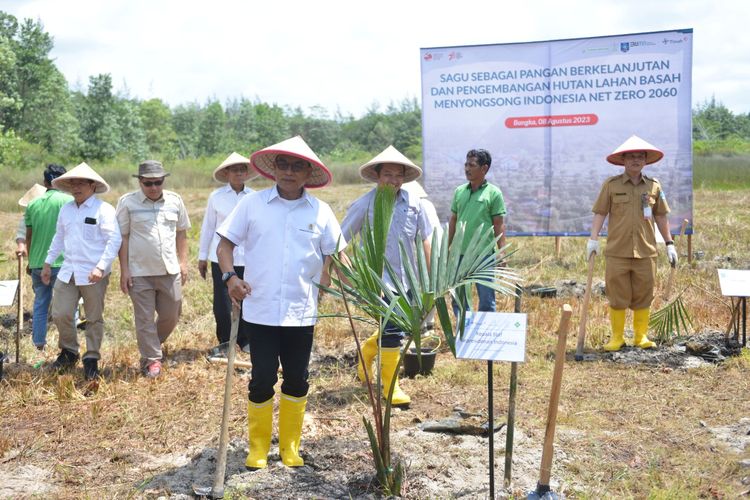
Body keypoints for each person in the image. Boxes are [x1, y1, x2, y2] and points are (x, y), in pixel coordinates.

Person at [216, 136, 346, 469]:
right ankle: (258, 447)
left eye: (297, 166)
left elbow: (338, 255)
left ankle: (290, 446)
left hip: (301, 312)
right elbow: (224, 247)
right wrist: (231, 278)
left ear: (308, 172)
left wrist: (350, 285)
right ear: (274, 170)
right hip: (259, 310)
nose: (289, 171)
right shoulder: (253, 205)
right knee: (261, 377)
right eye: (283, 165)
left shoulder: (321, 211)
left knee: (297, 379)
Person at [340, 146, 433, 406]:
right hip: (379, 283)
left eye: (398, 175)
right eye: (388, 174)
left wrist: (432, 278)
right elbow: (338, 241)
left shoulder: (415, 204)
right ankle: (391, 388)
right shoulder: (365, 205)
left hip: (410, 280)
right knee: (393, 333)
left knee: (399, 329)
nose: (393, 180)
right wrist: (354, 278)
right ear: (377, 176)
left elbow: (426, 239)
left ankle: (368, 351)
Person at [587, 135, 676, 351]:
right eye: (631, 156)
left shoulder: (654, 186)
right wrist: (593, 239)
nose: (636, 160)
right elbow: (600, 212)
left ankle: (640, 336)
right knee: (617, 295)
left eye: (640, 156)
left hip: (646, 251)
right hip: (617, 250)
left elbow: (661, 216)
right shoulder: (611, 185)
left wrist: (669, 243)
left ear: (645, 160)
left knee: (644, 294)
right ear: (623, 160)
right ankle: (617, 338)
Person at [43, 163, 121, 380]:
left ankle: (91, 358)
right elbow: (58, 237)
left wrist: (101, 266)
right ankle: (69, 351)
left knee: (94, 318)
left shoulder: (103, 210)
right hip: (69, 270)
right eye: (72, 183)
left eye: (80, 183)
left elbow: (114, 240)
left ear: (92, 185)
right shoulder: (66, 210)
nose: (76, 187)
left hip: (93, 273)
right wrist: (48, 263)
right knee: (60, 313)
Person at [116, 160, 191, 378]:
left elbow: (181, 233)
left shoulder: (175, 201)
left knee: (172, 313)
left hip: (169, 269)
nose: (154, 188)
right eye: (148, 184)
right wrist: (124, 269)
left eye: (158, 183)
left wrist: (183, 262)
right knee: (144, 318)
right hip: (139, 272)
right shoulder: (127, 203)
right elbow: (123, 237)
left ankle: (150, 346)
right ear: (140, 182)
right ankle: (152, 360)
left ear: (163, 180)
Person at [198, 152, 257, 355]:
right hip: (221, 257)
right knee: (223, 303)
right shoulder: (216, 197)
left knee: (247, 297)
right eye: (235, 170)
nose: (239, 173)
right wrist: (202, 256)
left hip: (247, 257)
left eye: (242, 170)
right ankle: (225, 342)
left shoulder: (254, 197)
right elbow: (208, 228)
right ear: (227, 173)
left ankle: (246, 339)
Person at [448, 148, 507, 316]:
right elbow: (453, 219)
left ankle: (483, 334)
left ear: (484, 168)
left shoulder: (494, 193)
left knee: (487, 298)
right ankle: (463, 332)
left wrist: (501, 252)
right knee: (459, 296)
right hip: (460, 254)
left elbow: (499, 224)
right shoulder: (459, 191)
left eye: (472, 165)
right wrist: (448, 247)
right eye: (466, 164)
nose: (467, 168)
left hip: (484, 255)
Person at [24, 166, 73, 350]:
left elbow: (29, 236)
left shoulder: (33, 204)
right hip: (62, 262)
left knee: (40, 304)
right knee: (68, 306)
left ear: (45, 183)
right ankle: (68, 346)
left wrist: (31, 261)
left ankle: (38, 344)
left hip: (37, 262)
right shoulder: (69, 201)